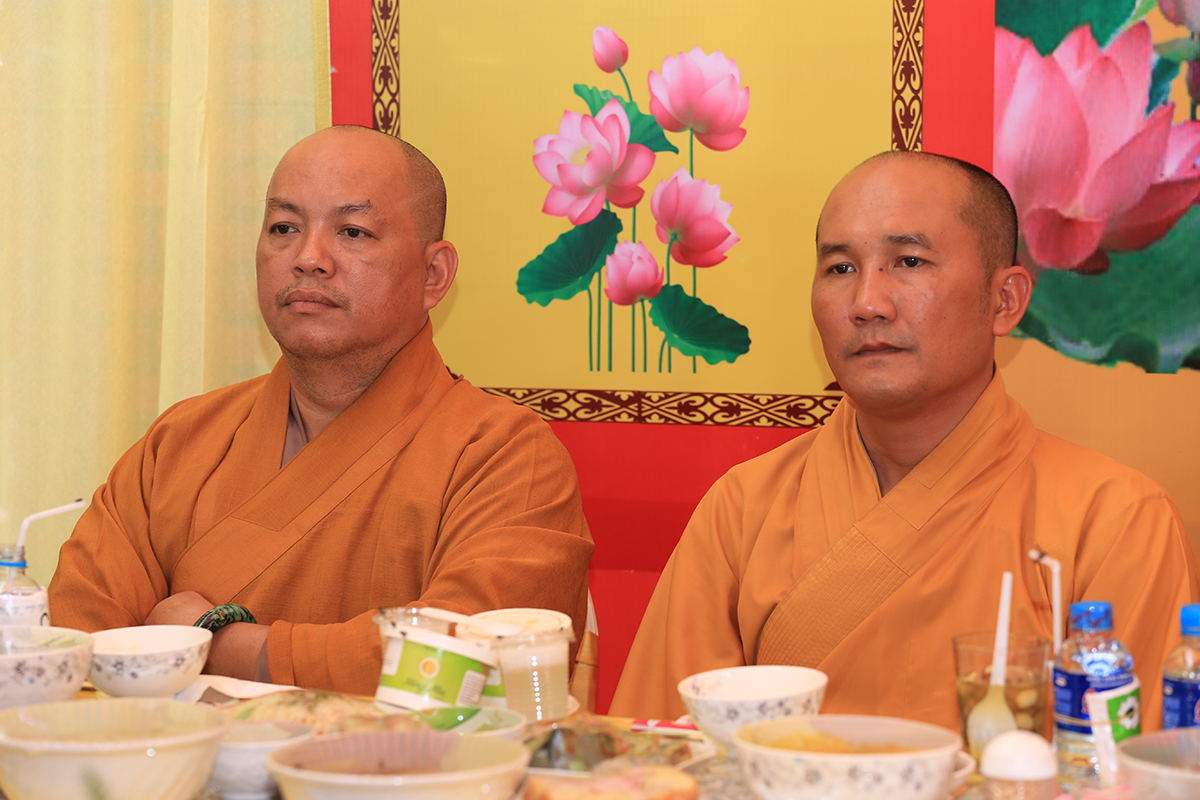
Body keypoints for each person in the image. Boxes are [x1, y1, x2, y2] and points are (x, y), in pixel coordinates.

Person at [610, 151, 1200, 731]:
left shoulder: (1113, 520)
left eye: (910, 261)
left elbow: (1130, 769)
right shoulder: (742, 509)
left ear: (1004, 301)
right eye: (840, 269)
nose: (867, 303)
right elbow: (659, 756)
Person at [49, 125, 595, 694]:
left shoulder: (504, 457)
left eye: (353, 231)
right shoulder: (179, 442)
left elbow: (476, 666)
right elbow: (79, 643)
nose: (308, 258)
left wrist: (219, 643)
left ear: (433, 275)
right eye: (284, 228)